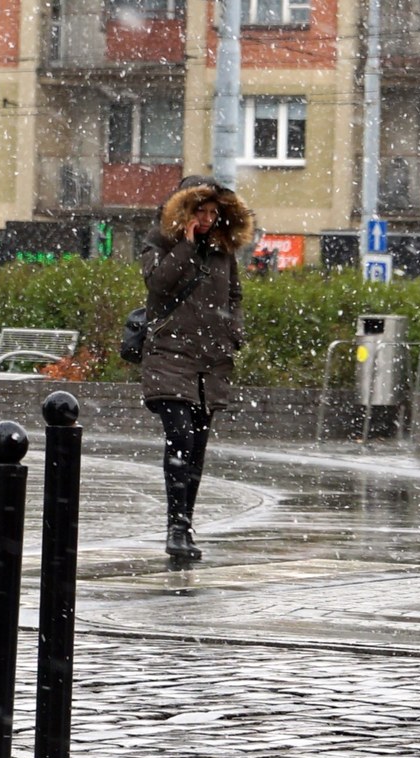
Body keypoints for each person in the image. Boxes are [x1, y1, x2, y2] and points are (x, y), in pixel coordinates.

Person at [139, 175, 253, 560]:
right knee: (180, 438)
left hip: (210, 360)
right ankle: (175, 525)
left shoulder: (223, 250)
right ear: (184, 211)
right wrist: (186, 245)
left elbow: (234, 294)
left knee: (198, 447)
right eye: (199, 212)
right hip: (169, 355)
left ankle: (185, 524)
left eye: (212, 213)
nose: (206, 220)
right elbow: (158, 284)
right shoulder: (160, 242)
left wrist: (233, 330)